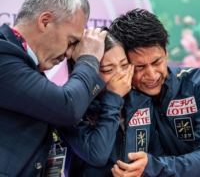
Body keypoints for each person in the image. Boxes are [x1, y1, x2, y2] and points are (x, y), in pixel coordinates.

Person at [0, 0, 108, 177]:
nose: (68, 54)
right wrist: (89, 59)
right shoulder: (3, 54)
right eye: (71, 41)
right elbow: (68, 108)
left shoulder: (24, 64)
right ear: (45, 21)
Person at [60, 27, 164, 177]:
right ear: (86, 72)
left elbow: (157, 153)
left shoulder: (143, 100)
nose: (120, 76)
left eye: (124, 65)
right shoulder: (70, 106)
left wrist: (147, 168)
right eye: (108, 70)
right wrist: (113, 98)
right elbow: (97, 155)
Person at [109, 8, 200, 177]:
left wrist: (155, 167)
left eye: (156, 61)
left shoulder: (196, 85)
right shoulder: (119, 99)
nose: (152, 75)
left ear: (166, 53)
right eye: (140, 67)